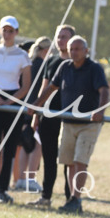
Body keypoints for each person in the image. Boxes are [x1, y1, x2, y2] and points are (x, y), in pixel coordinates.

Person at [32, 36, 109, 214]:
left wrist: (100, 110)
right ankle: (71, 199)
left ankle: (76, 198)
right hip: (68, 122)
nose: (74, 52)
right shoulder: (64, 67)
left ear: (86, 51)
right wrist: (36, 105)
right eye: (71, 49)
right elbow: (51, 88)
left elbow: (104, 90)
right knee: (68, 161)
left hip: (88, 124)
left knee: (80, 160)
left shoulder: (94, 69)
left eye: (77, 49)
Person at [0, 15, 31, 204]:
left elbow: (26, 86)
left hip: (12, 100)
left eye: (11, 31)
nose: (7, 34)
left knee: (9, 148)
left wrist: (9, 102)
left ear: (16, 33)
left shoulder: (22, 56)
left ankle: (3, 188)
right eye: (4, 30)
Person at [28, 25, 74, 207]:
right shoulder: (51, 61)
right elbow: (44, 87)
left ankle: (70, 198)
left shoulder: (76, 62)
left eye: (64, 37)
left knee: (68, 159)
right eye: (59, 36)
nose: (61, 40)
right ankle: (46, 196)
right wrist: (36, 114)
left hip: (69, 116)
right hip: (49, 114)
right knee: (48, 157)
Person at [13, 36, 50, 193]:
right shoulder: (43, 66)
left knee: (25, 145)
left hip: (24, 108)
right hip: (36, 107)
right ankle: (30, 179)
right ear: (46, 49)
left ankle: (21, 179)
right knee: (37, 145)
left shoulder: (30, 63)